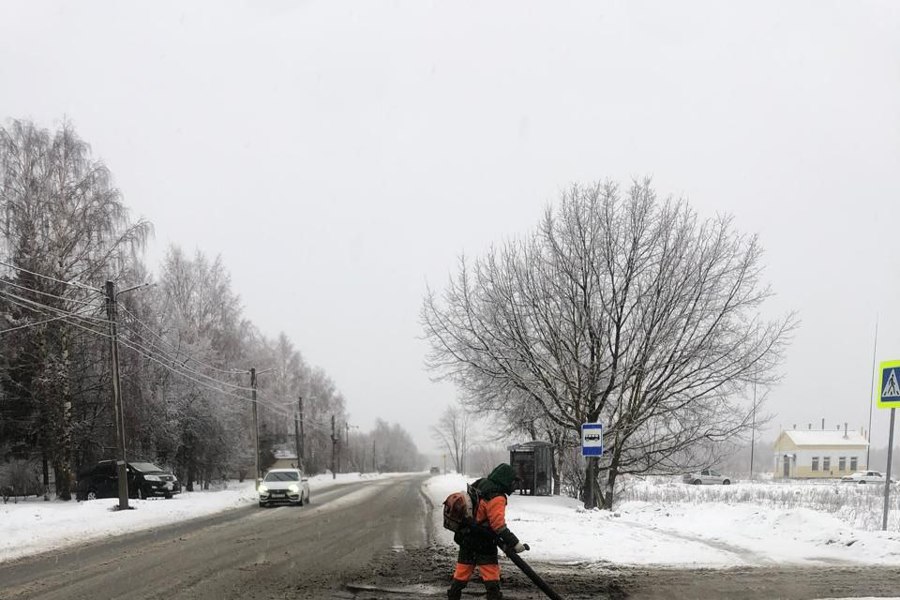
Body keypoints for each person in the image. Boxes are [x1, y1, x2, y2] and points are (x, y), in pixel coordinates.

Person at [447, 463, 528, 600]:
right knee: (490, 571)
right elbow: (498, 526)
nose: (514, 488)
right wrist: (515, 544)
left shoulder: (480, 483)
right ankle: (493, 596)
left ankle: (453, 595)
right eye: (513, 483)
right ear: (506, 481)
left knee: (462, 570)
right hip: (483, 541)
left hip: (467, 535)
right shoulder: (496, 497)